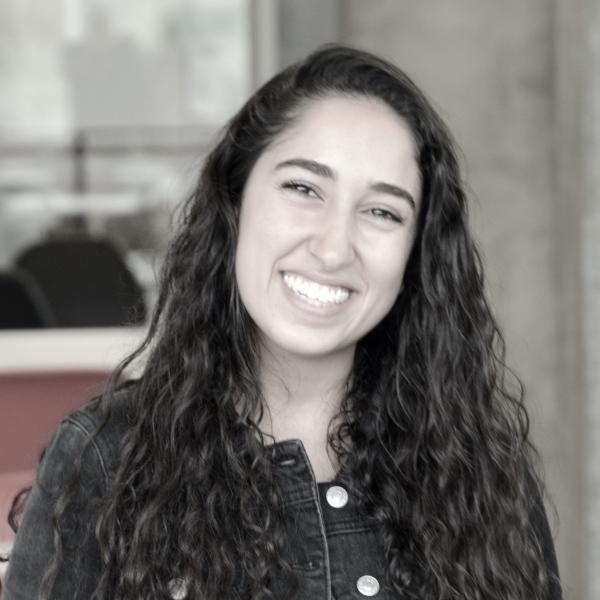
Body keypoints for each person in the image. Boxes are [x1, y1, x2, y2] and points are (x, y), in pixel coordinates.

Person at [2, 44, 562, 599]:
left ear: (416, 253)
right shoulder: (106, 458)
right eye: (303, 188)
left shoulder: (477, 470)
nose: (333, 248)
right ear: (235, 199)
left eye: (382, 212)